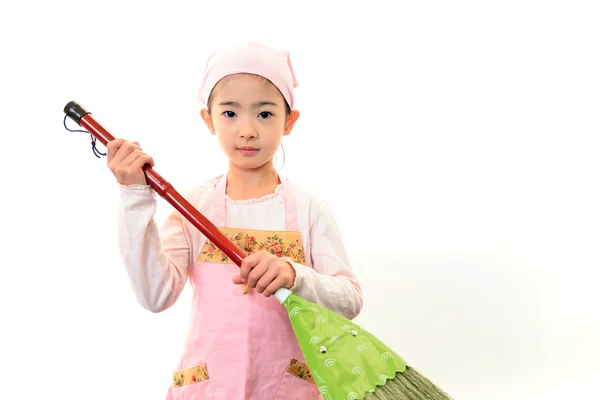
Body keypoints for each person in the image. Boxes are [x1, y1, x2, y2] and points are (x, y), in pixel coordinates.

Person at [106, 41, 363, 399]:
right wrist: (134, 197)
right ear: (207, 119)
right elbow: (156, 295)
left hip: (285, 390)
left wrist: (294, 274)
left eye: (264, 114)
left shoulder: (309, 207)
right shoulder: (191, 206)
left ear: (290, 121)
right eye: (230, 113)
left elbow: (350, 299)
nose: (247, 130)